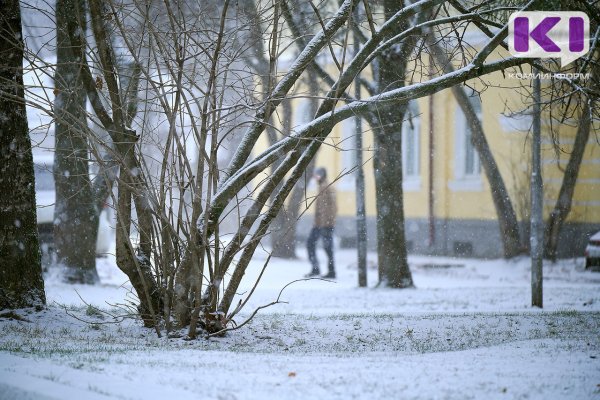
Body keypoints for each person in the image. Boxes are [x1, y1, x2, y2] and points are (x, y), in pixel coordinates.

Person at [305, 167, 337, 279]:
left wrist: (327, 223)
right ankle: (316, 268)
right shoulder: (321, 187)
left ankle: (331, 271)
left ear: (323, 175)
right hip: (319, 224)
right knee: (311, 244)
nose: (316, 178)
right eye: (315, 175)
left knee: (327, 247)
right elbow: (320, 209)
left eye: (318, 175)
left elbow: (332, 208)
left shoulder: (327, 187)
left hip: (326, 224)